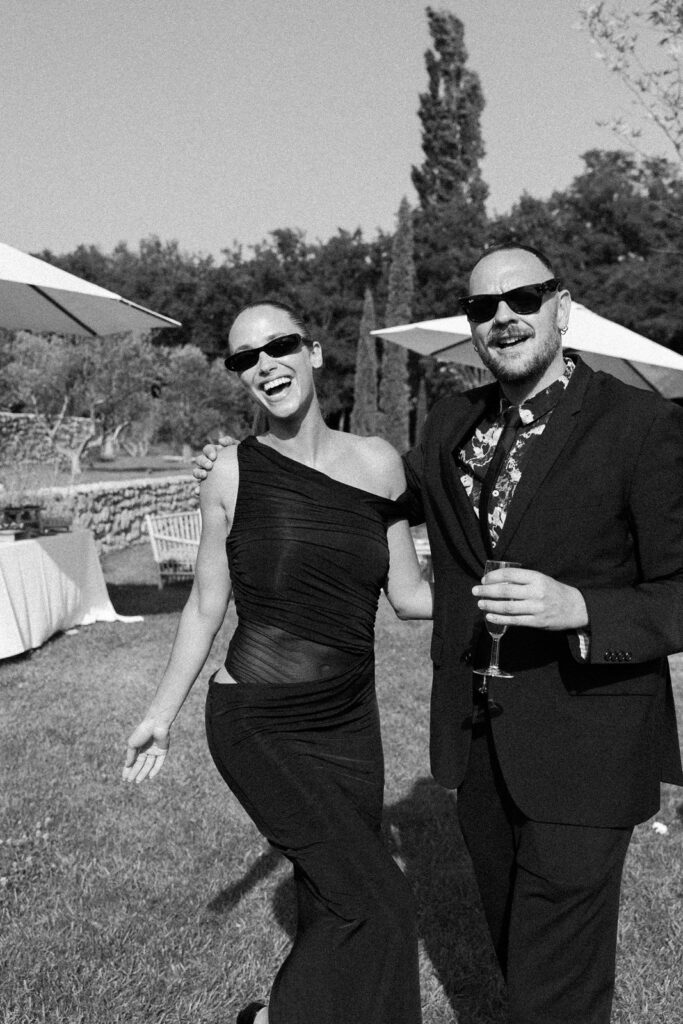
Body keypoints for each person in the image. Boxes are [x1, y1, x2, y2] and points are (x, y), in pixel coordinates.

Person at [196, 246, 683, 1024]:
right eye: (482, 307)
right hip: (479, 748)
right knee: (518, 956)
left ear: (561, 307)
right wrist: (258, 479)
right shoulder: (454, 424)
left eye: (522, 298)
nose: (502, 317)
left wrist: (581, 608)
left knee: (555, 987)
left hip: (589, 743)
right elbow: (362, 498)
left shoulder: (640, 424)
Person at [123, 300, 431, 1024]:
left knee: (334, 902)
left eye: (279, 346)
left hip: (349, 721)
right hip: (258, 722)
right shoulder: (229, 472)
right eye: (244, 358)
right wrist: (160, 716)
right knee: (381, 904)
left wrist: (496, 595)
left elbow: (410, 595)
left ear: (313, 352)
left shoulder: (380, 463)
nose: (264, 365)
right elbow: (206, 605)